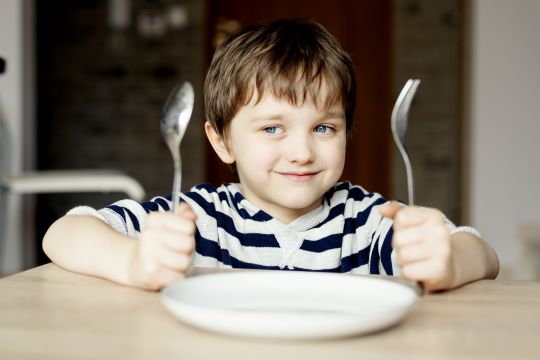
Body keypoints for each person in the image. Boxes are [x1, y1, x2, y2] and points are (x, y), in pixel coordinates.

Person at [43, 19, 499, 292]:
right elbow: (64, 232)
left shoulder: (370, 223)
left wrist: (450, 261)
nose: (301, 151)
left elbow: (484, 253)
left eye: (324, 127)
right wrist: (133, 262)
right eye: (272, 128)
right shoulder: (197, 218)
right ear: (221, 141)